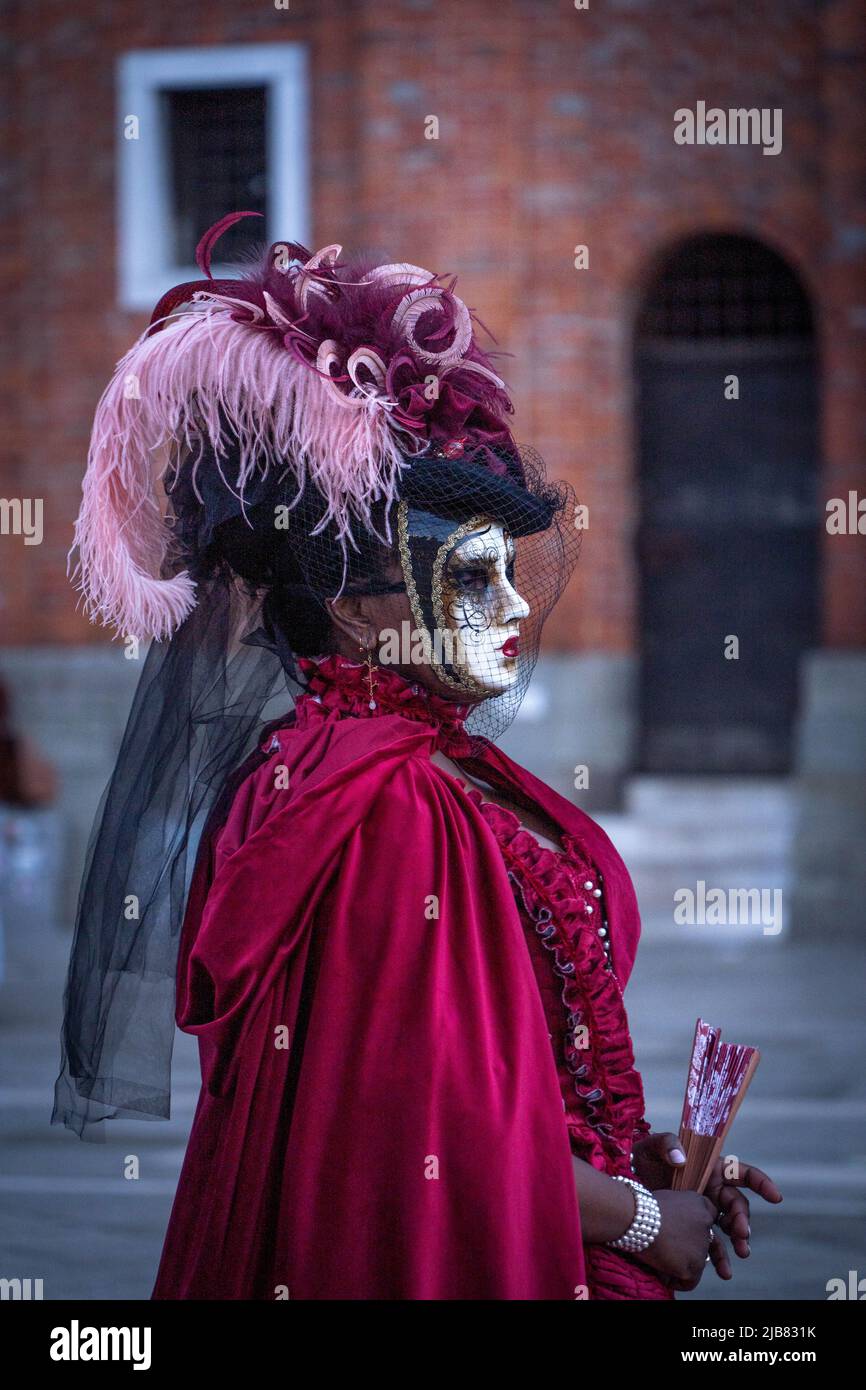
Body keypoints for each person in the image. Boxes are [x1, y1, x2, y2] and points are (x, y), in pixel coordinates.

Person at [54, 214, 781, 1299]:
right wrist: (633, 1216)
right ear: (352, 614)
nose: (508, 611)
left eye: (507, 573)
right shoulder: (372, 799)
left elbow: (497, 1082)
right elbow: (411, 1122)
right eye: (469, 578)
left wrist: (638, 1172)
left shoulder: (436, 769)